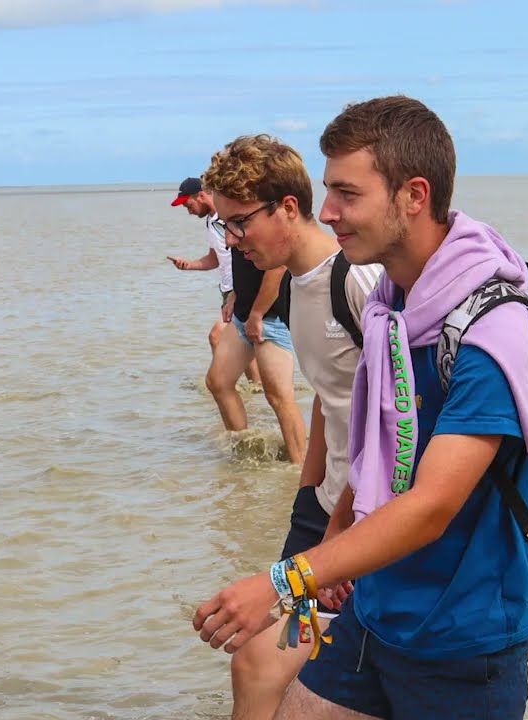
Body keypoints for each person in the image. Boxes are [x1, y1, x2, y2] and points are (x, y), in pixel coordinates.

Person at [192, 95, 528, 720]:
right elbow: (369, 434)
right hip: (375, 609)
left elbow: (430, 507)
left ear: (413, 195)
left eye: (346, 192)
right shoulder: (391, 306)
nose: (328, 211)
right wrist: (334, 529)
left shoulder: (494, 332)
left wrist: (286, 579)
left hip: (460, 640)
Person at [203, 134, 382, 719]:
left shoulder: (356, 282)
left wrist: (341, 533)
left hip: (360, 524)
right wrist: (307, 499)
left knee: (269, 662)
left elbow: (394, 419)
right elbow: (330, 402)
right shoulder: (299, 288)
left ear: (286, 206)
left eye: (240, 222)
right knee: (256, 660)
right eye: (226, 224)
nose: (233, 239)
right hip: (321, 514)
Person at [198, 160, 308, 465]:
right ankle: (243, 453)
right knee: (218, 381)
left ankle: (298, 469)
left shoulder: (259, 222)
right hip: (243, 313)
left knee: (278, 396)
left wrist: (258, 314)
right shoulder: (234, 221)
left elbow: (278, 267)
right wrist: (234, 295)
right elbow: (241, 265)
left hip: (270, 317)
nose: (230, 234)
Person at [167, 176, 262, 385]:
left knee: (216, 336)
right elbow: (214, 259)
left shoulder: (229, 216)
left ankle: (224, 385)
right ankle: (254, 389)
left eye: (188, 204)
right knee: (244, 344)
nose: (188, 210)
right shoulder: (211, 222)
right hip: (227, 290)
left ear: (200, 195)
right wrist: (188, 264)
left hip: (240, 288)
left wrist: (241, 290)